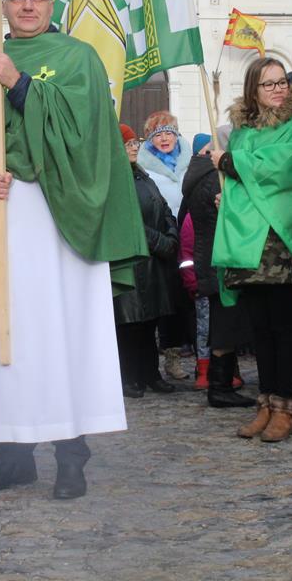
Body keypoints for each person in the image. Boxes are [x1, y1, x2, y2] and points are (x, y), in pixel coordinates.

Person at [0, 0, 146, 500]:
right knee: (4, 334)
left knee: (60, 332)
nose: (26, 6)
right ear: (3, 7)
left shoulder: (77, 59)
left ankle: (71, 455)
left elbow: (85, 136)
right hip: (5, 218)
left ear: (50, 4)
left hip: (60, 220)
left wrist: (20, 84)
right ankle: (13, 456)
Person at [210, 57, 292, 442]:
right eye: (268, 84)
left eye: (282, 82)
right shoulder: (242, 131)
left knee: (284, 325)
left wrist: (229, 161)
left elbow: (279, 169)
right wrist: (229, 197)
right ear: (254, 89)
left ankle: (285, 406)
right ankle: (265, 403)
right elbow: (244, 179)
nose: (278, 89)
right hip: (247, 239)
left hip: (280, 237)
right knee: (260, 329)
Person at [114, 125, 178, 398]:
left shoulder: (142, 175)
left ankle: (150, 373)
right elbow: (126, 219)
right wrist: (162, 242)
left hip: (154, 261)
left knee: (149, 320)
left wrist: (171, 233)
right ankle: (129, 376)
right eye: (128, 144)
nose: (134, 148)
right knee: (130, 323)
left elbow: (163, 208)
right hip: (132, 260)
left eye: (135, 143)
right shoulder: (114, 178)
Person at [135, 111, 194, 382]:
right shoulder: (143, 166)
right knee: (165, 299)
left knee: (184, 300)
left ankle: (177, 354)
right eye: (158, 135)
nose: (165, 138)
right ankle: (161, 358)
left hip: (189, 236)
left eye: (169, 132)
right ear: (150, 139)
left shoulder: (188, 161)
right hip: (161, 239)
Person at [180, 133, 222, 392]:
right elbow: (188, 247)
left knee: (215, 323)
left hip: (209, 267)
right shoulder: (207, 184)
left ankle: (220, 370)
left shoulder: (199, 181)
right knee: (207, 324)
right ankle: (206, 370)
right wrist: (192, 279)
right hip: (205, 270)